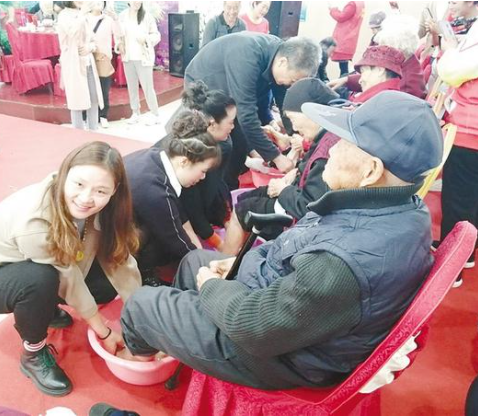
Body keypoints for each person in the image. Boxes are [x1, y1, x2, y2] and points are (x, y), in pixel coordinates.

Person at [118, 91, 443, 389]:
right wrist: (237, 266)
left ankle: (144, 358)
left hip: (280, 355)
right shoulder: (403, 209)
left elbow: (254, 330)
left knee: (141, 305)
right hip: (288, 313)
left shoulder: (342, 263)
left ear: (371, 170)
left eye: (343, 142)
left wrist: (213, 289)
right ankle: (184, 336)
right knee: (194, 261)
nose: (330, 150)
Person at [0, 141, 141, 396]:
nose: (86, 198)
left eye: (101, 191)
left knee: (103, 287)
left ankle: (45, 308)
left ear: (115, 190)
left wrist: (142, 315)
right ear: (65, 173)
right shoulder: (35, 220)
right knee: (40, 279)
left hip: (43, 262)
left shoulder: (106, 206)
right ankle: (33, 353)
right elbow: (67, 277)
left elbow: (118, 258)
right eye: (79, 184)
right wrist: (104, 332)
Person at [183, 32, 322, 189]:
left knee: (239, 145)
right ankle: (213, 188)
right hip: (207, 87)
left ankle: (229, 187)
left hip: (232, 92)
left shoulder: (278, 56)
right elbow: (246, 115)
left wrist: (295, 135)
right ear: (283, 62)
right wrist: (276, 157)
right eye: (293, 80)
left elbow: (285, 103)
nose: (291, 85)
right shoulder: (247, 55)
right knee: (223, 145)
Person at [222, 78, 339, 255]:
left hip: (298, 219)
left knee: (242, 210)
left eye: (292, 118)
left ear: (311, 112)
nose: (294, 127)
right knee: (246, 196)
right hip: (296, 194)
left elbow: (308, 206)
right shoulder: (326, 136)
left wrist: (283, 189)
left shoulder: (327, 153)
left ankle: (225, 264)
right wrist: (295, 173)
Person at [124, 133, 221, 283]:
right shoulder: (157, 192)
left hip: (123, 217)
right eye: (203, 171)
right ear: (184, 161)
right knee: (161, 243)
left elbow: (181, 218)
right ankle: (145, 276)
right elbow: (177, 241)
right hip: (113, 238)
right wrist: (205, 268)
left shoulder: (157, 156)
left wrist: (200, 253)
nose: (203, 178)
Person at [159, 82, 237, 250]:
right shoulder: (194, 151)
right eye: (230, 122)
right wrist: (218, 243)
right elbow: (189, 204)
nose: (233, 127)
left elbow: (217, 183)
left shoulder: (219, 143)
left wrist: (226, 217)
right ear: (212, 123)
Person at [436, 6, 478, 281]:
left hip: (469, 128)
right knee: (471, 198)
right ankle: (467, 253)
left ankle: (451, 269)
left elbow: (452, 72)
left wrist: (451, 49)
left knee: (458, 200)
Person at [57, 1, 104, 131]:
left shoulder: (84, 14)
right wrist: (82, 14)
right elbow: (72, 32)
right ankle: (78, 135)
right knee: (76, 102)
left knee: (94, 99)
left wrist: (90, 47)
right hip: (73, 64)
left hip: (88, 62)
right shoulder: (64, 15)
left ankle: (93, 131)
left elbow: (93, 40)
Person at [116, 1, 161, 126]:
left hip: (143, 57)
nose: (137, 2)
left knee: (147, 87)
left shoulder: (147, 16)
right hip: (128, 57)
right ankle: (135, 112)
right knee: (132, 87)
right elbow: (118, 35)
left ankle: (155, 114)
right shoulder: (122, 16)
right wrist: (119, 44)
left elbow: (156, 35)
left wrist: (146, 39)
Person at [88, 1, 120, 129]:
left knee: (104, 89)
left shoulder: (108, 20)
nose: (99, 3)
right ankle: (89, 116)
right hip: (88, 57)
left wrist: (116, 19)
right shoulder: (84, 18)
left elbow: (119, 33)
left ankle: (103, 116)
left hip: (103, 58)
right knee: (89, 89)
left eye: (101, 1)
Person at [329, 1, 365, 76]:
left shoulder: (352, 4)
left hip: (344, 39)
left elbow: (341, 17)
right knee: (343, 67)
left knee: (343, 69)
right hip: (350, 39)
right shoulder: (361, 4)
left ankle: (344, 82)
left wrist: (333, 9)